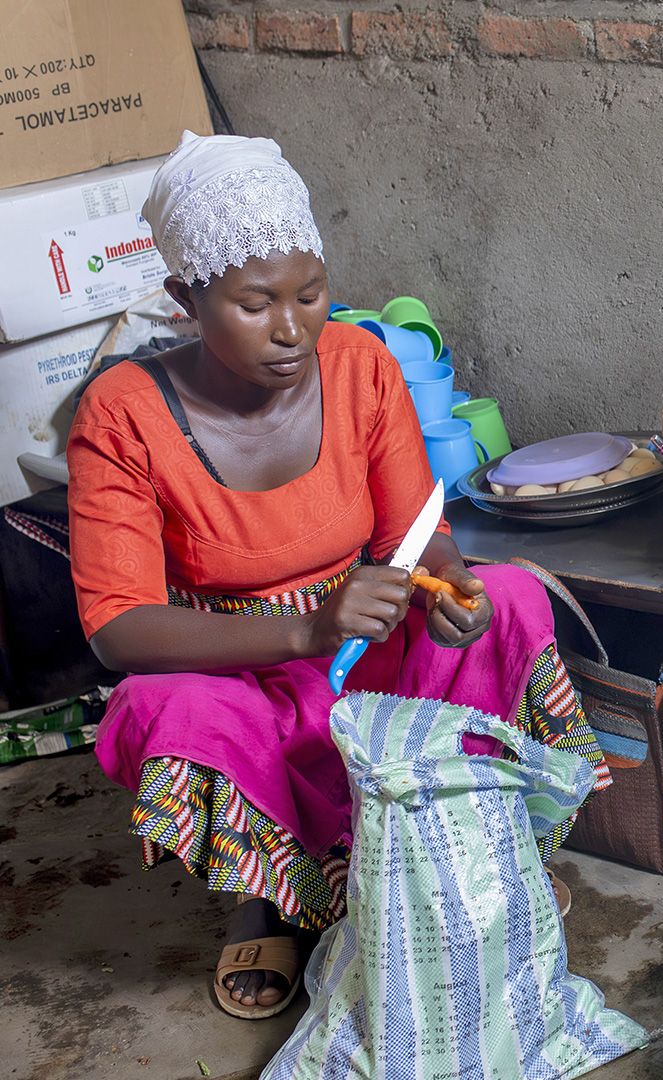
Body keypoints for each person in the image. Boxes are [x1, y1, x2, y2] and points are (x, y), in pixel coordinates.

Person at [66, 131, 608, 1020]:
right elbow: (119, 627)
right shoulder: (125, 415)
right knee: (157, 709)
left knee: (508, 597)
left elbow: (420, 535)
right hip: (238, 666)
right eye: (254, 303)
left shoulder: (358, 364)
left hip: (371, 647)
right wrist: (305, 630)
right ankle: (271, 897)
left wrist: (449, 593)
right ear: (183, 301)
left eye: (310, 294)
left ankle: (472, 847)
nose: (291, 328)